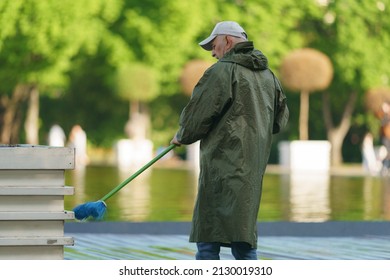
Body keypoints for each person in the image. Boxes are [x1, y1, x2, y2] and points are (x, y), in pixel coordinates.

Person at [171, 21, 289, 260]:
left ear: (227, 40)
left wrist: (182, 135)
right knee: (244, 242)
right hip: (252, 172)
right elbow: (280, 121)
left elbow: (197, 115)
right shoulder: (269, 76)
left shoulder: (221, 71)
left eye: (214, 46)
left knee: (207, 242)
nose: (213, 53)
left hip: (221, 168)